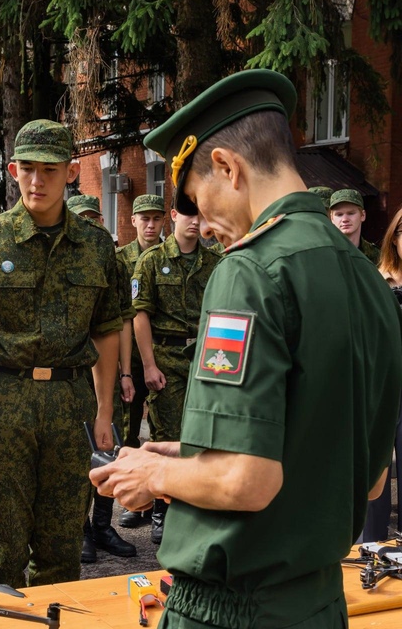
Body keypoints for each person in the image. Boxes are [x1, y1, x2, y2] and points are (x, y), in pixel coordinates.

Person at [91, 69, 402, 628]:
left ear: (227, 168)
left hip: (233, 610)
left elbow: (246, 479)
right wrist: (191, 457)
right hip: (319, 604)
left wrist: (150, 477)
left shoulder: (249, 271)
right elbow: (363, 472)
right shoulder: (368, 280)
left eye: (197, 201)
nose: (203, 226)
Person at [0, 119, 122, 589]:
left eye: (49, 169)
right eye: (27, 169)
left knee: (63, 547)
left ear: (71, 172)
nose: (37, 180)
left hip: (71, 404)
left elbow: (108, 332)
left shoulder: (97, 246)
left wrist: (105, 412)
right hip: (2, 401)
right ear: (12, 170)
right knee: (2, 547)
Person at [132, 205, 220, 544]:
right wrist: (149, 364)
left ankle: (200, 509)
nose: (196, 222)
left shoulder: (215, 262)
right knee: (166, 435)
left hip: (207, 357)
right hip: (167, 357)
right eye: (189, 215)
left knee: (206, 436)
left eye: (201, 215)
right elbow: (141, 316)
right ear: (173, 216)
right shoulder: (152, 260)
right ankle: (162, 511)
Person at [66, 193, 136, 563]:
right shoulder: (66, 258)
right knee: (79, 456)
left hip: (106, 373)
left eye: (96, 217)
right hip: (75, 377)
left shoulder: (113, 263)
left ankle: (105, 526)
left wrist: (125, 372)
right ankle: (81, 531)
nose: (91, 223)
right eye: (84, 218)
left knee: (111, 450)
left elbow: (121, 321)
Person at [116, 194, 165, 529]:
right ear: (132, 220)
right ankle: (135, 502)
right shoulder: (121, 260)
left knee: (164, 434)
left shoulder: (172, 256)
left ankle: (162, 501)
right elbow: (119, 314)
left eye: (155, 219)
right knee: (128, 433)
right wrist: (124, 371)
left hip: (166, 358)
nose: (150, 225)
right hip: (129, 358)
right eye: (143, 218)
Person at [362, 207, 402, 541]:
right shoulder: (378, 277)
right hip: (383, 383)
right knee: (376, 463)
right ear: (394, 238)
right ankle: (371, 545)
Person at [329, 188, 380, 265]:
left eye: (351, 213)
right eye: (339, 214)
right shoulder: (325, 252)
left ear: (362, 215)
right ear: (332, 218)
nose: (345, 219)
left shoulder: (376, 255)